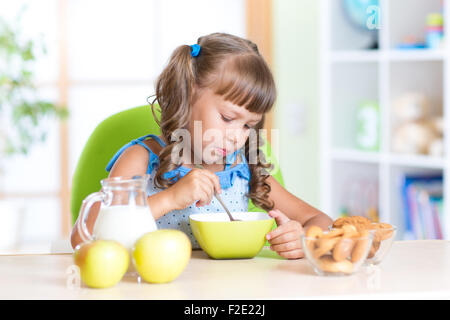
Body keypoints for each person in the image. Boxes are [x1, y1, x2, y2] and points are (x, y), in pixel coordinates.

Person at [71, 32, 332, 259]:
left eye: (247, 126)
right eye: (228, 118)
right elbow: (84, 237)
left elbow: (322, 221)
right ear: (188, 94)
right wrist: (170, 198)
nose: (236, 137)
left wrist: (304, 238)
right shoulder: (140, 160)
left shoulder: (242, 169)